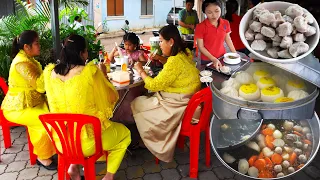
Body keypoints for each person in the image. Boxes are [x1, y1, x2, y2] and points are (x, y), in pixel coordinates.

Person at [43, 34, 131, 180]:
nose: (87, 54)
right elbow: (111, 97)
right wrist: (103, 75)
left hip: (61, 141)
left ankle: (73, 167)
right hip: (87, 143)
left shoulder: (50, 73)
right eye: (86, 51)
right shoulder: (89, 72)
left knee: (76, 121)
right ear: (81, 53)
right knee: (125, 135)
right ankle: (108, 177)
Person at [131, 25, 201, 162]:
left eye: (162, 41)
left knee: (137, 103)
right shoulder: (185, 52)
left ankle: (150, 140)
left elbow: (153, 85)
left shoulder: (175, 61)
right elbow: (173, 66)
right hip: (189, 99)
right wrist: (160, 58)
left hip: (180, 105)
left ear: (171, 42)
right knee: (148, 100)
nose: (160, 44)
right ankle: (149, 137)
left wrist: (140, 70)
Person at [1, 30, 57, 170]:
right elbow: (40, 86)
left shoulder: (28, 59)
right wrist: (49, 70)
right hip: (17, 109)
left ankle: (52, 150)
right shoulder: (22, 63)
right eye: (36, 43)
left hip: (30, 103)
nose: (39, 46)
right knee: (46, 120)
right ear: (26, 47)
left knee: (56, 113)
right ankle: (43, 157)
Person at [195, 0, 237, 69]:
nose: (214, 15)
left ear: (221, 9)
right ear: (204, 12)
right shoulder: (200, 27)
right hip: (207, 59)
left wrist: (235, 53)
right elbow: (201, 47)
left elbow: (228, 39)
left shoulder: (225, 23)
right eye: (209, 12)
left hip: (222, 57)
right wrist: (213, 59)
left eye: (217, 11)